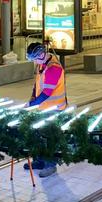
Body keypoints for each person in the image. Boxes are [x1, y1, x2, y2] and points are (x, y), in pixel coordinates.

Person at [24, 42, 68, 177]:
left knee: (49, 138)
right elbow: (37, 84)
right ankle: (39, 160)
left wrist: (32, 104)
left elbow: (47, 93)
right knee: (38, 134)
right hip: (43, 108)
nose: (34, 62)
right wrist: (32, 99)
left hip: (54, 109)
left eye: (34, 59)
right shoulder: (41, 64)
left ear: (42, 54)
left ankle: (51, 165)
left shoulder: (54, 68)